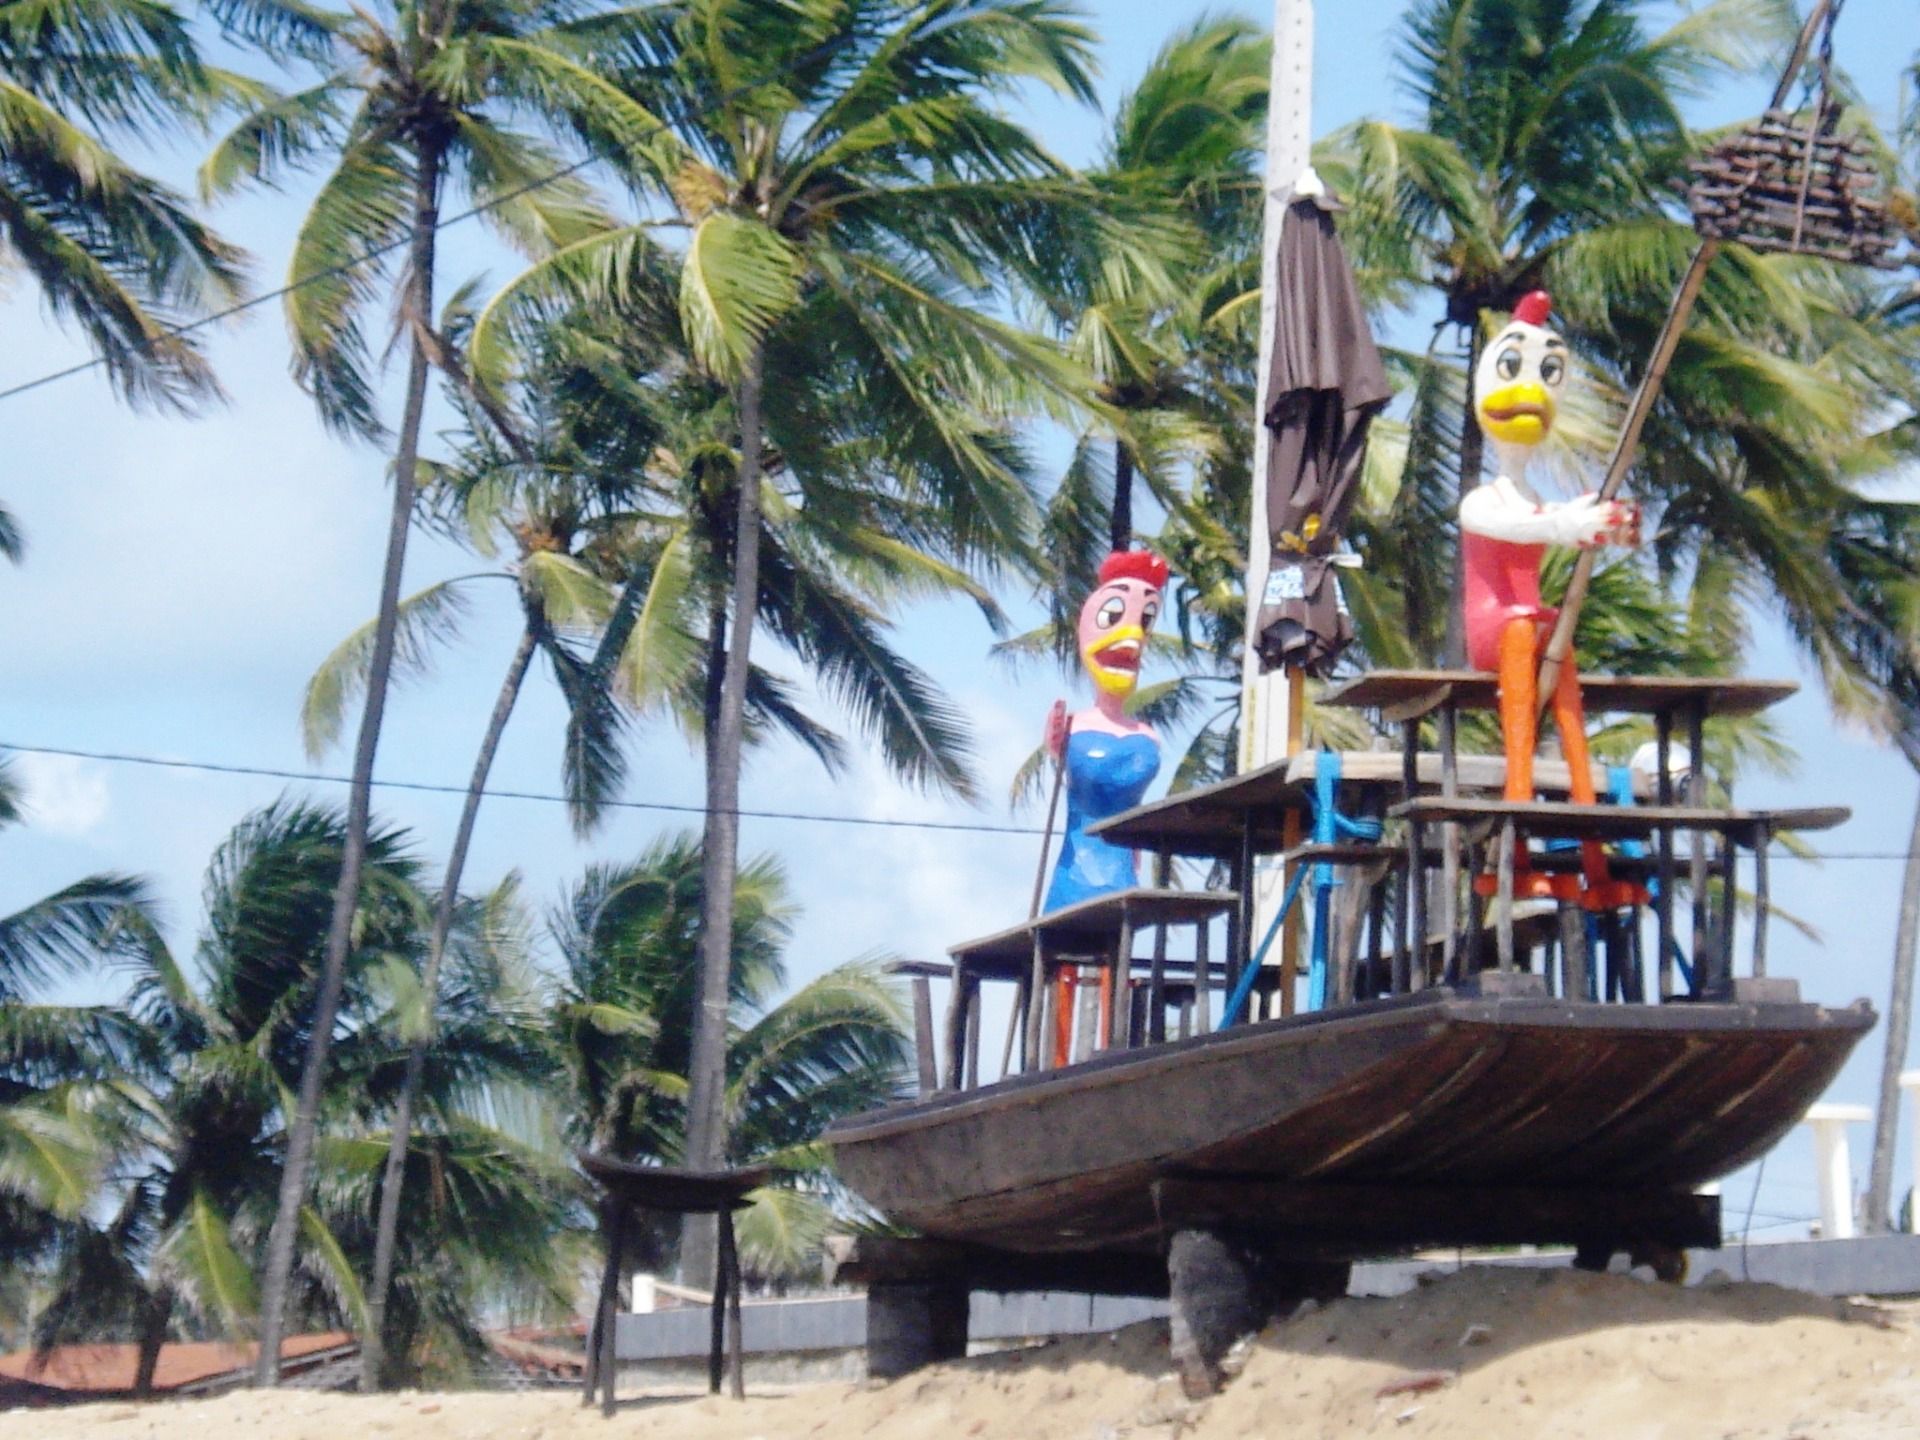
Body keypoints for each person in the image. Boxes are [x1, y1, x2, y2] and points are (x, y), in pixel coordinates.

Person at [1460, 291, 1639, 904]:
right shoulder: (1482, 501)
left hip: (1532, 624)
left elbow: (1562, 517)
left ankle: (1596, 864)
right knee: (1521, 639)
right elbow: (1533, 528)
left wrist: (1609, 523)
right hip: (1496, 629)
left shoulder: (1535, 498)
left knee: (1567, 700)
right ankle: (1510, 853)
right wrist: (1570, 525)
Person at [1042, 549, 1168, 913]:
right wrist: (1055, 742)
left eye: (1144, 621)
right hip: (1076, 870)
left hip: (1122, 873)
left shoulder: (1148, 735)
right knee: (1065, 952)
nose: (1132, 641)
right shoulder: (1073, 725)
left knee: (1116, 949)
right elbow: (1056, 754)